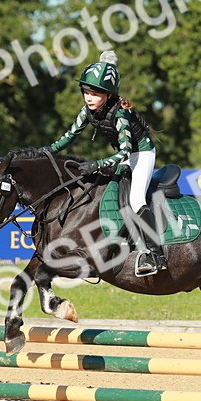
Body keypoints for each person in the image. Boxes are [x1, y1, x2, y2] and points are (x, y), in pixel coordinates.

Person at [46, 50, 167, 277]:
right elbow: (69, 135)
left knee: (136, 198)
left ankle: (155, 254)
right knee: (110, 195)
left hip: (141, 155)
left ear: (109, 95)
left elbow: (125, 152)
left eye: (95, 93)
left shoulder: (120, 114)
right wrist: (46, 152)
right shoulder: (87, 112)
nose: (88, 97)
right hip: (125, 155)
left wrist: (97, 164)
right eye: (86, 91)